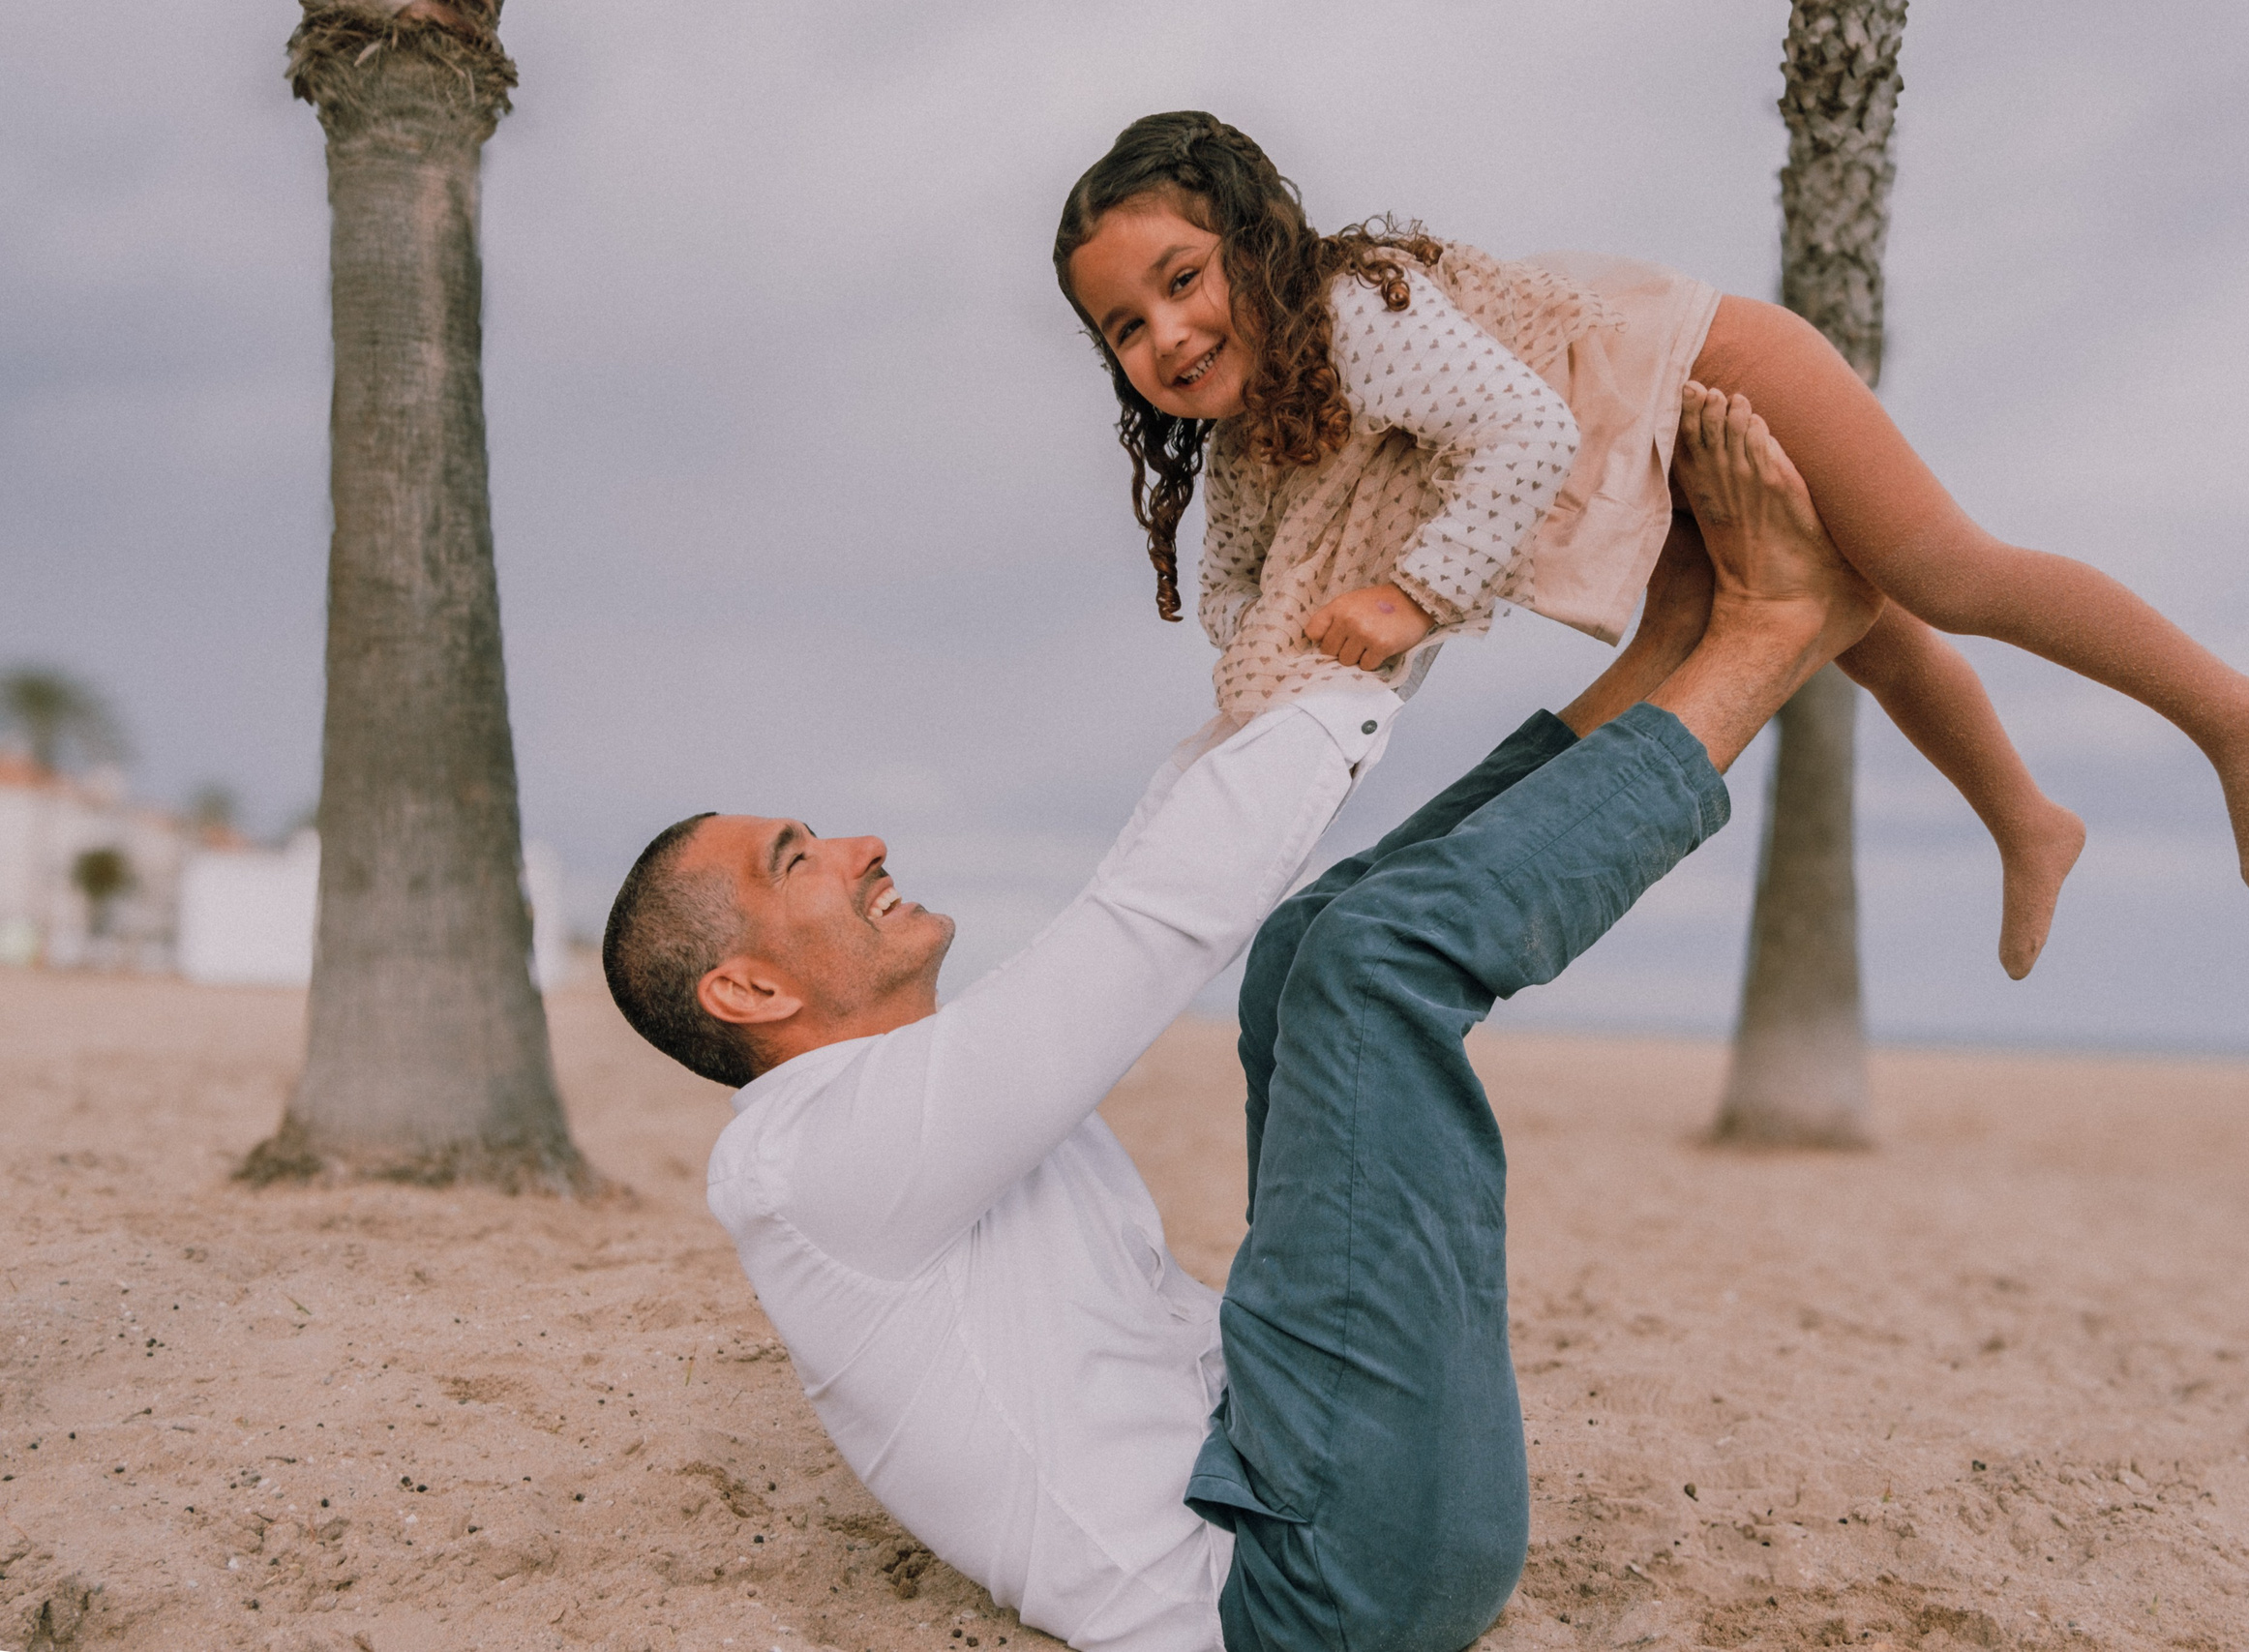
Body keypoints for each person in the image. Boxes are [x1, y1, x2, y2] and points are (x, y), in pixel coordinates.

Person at [602, 400, 1880, 1649]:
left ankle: (1667, 655)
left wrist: (1332, 650)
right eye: (798, 861)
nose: (861, 845)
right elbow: (1148, 921)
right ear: (750, 992)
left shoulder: (906, 1115)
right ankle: (1771, 632)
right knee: (1373, 972)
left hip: (1308, 1479)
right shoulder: (808, 1163)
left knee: (1305, 952)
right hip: (1307, 1595)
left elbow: (1148, 867)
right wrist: (1370, 653)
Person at [1053, 110, 2249, 979]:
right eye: (1124, 326)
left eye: (1183, 279)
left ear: (1256, 241)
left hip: (1699, 369)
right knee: (1864, 636)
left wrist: (1408, 598)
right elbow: (1251, 599)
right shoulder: (1248, 445)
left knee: (1936, 567)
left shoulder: (1349, 312)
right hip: (1633, 459)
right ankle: (2029, 819)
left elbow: (1523, 432)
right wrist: (1277, 677)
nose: (1165, 335)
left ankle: (2243, 711)